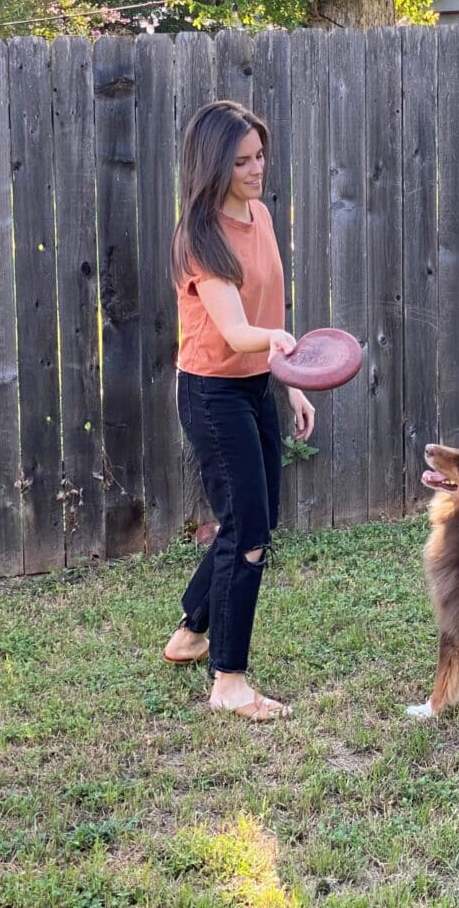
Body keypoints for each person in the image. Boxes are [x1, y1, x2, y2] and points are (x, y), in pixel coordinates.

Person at [163, 100, 314, 722]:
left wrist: (293, 382)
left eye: (261, 156)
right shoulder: (199, 238)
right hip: (211, 391)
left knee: (258, 517)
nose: (258, 170)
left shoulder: (260, 215)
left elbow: (269, 309)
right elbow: (233, 330)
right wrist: (278, 345)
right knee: (247, 531)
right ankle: (228, 682)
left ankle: (192, 629)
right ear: (214, 165)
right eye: (243, 161)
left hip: (255, 383)